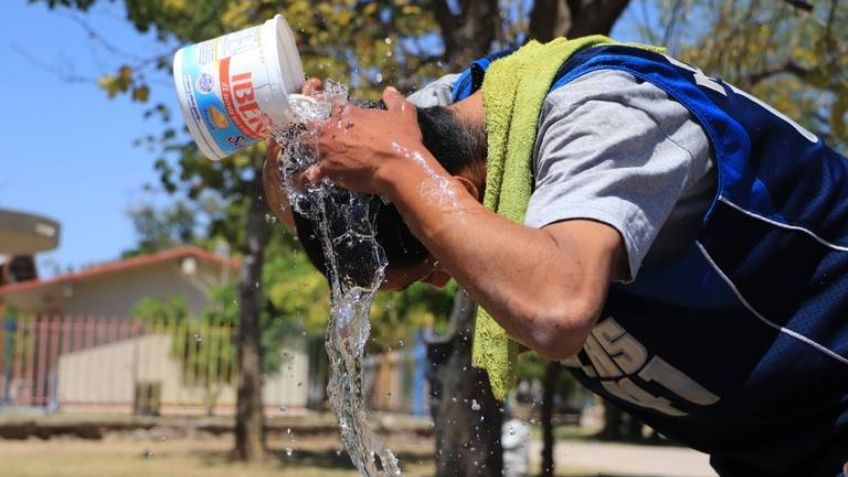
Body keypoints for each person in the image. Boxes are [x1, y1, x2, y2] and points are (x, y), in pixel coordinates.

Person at [264, 41, 848, 476]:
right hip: (776, 448)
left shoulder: (607, 114)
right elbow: (371, 169)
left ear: (459, 194)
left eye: (430, 265)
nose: (448, 277)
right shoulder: (442, 129)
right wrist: (290, 166)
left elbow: (557, 307)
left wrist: (401, 171)